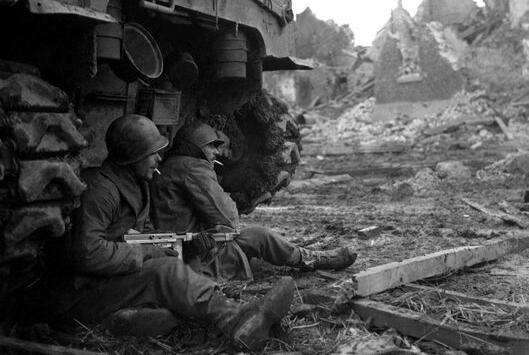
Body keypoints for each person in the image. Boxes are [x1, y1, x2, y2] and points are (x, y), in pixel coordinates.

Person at [45, 114, 295, 350]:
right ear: (134, 156)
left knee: (173, 266)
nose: (158, 159)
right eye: (152, 154)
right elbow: (86, 252)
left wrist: (184, 245)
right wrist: (143, 253)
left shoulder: (136, 184)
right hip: (84, 292)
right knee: (166, 271)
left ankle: (140, 319)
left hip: (113, 278)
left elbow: (145, 233)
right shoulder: (102, 191)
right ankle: (236, 318)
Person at [149, 121, 357, 282]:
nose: (216, 152)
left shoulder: (171, 166)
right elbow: (228, 218)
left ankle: (306, 257)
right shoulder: (194, 168)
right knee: (260, 236)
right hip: (195, 260)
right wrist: (225, 195)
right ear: (195, 147)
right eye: (211, 146)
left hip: (179, 254)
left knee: (256, 239)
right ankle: (314, 260)